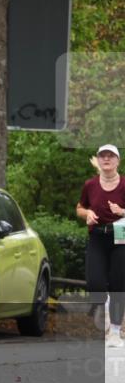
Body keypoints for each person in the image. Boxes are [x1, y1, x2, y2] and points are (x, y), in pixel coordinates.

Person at [76, 144, 125, 348]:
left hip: (121, 236)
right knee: (95, 283)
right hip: (97, 236)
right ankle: (104, 307)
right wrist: (87, 214)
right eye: (103, 156)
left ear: (117, 161)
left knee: (118, 284)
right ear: (98, 160)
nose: (106, 159)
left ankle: (114, 332)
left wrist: (122, 211)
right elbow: (79, 207)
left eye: (111, 156)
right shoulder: (90, 185)